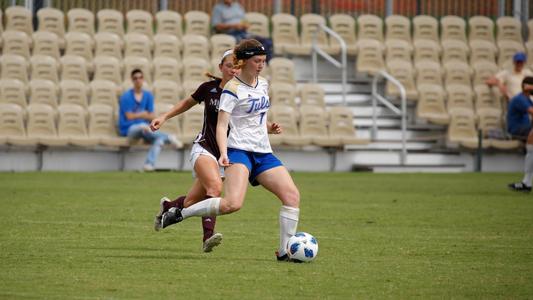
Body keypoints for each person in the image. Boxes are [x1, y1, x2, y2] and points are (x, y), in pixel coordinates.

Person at [160, 39, 301, 262]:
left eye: (264, 61)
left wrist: (269, 127)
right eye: (257, 61)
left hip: (263, 153)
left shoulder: (263, 84)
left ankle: (285, 252)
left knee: (292, 196)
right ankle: (181, 213)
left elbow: (254, 118)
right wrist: (224, 153)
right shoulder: (231, 89)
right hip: (239, 151)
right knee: (232, 204)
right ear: (244, 62)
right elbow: (222, 125)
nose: (261, 65)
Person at [150, 50, 238, 252]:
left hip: (225, 155)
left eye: (237, 66)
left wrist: (269, 127)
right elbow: (186, 103)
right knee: (215, 189)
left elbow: (251, 120)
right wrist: (163, 117)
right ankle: (208, 238)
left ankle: (168, 206)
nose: (233, 70)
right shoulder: (209, 88)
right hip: (204, 148)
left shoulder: (242, 92)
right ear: (221, 68)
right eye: (229, 65)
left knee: (191, 202)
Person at [118, 69, 182, 172]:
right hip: (129, 129)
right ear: (132, 80)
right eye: (135, 78)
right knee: (140, 127)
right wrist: (143, 115)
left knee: (159, 140)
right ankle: (168, 137)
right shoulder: (126, 96)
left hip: (145, 130)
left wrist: (141, 117)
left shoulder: (148, 95)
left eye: (140, 77)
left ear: (143, 79)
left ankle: (149, 164)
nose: (138, 80)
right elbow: (129, 116)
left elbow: (152, 116)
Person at [508, 76, 533, 193]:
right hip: (517, 129)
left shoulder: (528, 99)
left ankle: (526, 183)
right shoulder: (520, 99)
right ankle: (526, 183)